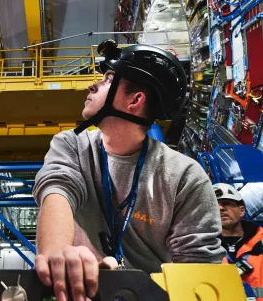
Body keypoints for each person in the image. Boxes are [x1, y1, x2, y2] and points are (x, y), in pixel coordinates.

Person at [32, 40, 225, 301]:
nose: (93, 84)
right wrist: (56, 255)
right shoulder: (72, 146)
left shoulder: (185, 177)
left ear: (135, 100)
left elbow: (198, 271)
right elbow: (58, 191)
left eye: (109, 78)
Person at [215, 183, 263, 300]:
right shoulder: (203, 248)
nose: (220, 208)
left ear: (241, 211)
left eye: (226, 203)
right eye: (214, 205)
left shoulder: (261, 241)